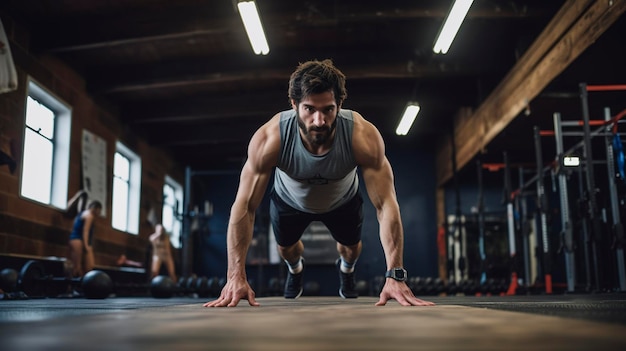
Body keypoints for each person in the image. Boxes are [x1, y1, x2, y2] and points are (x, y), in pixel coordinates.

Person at [203, 59, 434, 308]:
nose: (319, 120)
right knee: (287, 250)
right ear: (294, 105)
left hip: (343, 200)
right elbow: (245, 206)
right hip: (289, 201)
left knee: (351, 249)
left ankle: (346, 270)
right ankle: (296, 269)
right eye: (309, 109)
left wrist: (395, 275)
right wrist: (234, 276)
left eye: (328, 109)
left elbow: (386, 205)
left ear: (340, 105)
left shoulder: (362, 136)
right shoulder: (270, 139)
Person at [68, 200, 102, 277]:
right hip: (78, 240)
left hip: (75, 239)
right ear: (96, 209)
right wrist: (86, 246)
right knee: (78, 267)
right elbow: (85, 231)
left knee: (81, 267)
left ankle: (79, 284)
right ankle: (74, 286)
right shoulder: (90, 215)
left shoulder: (83, 213)